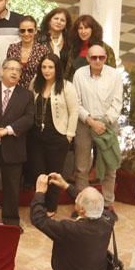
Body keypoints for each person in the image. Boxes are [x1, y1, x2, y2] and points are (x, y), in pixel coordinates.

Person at [0, 59, 35, 226]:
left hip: (14, 147)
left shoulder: (26, 95)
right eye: (10, 68)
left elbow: (29, 119)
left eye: (18, 70)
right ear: (2, 71)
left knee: (12, 187)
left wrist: (7, 130)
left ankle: (11, 221)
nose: (14, 72)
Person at [72, 44, 123, 208]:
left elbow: (117, 102)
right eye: (94, 57)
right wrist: (91, 121)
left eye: (101, 57)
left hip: (107, 125)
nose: (98, 60)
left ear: (106, 58)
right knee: (82, 168)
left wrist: (104, 122)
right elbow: (76, 102)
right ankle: (83, 206)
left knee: (110, 167)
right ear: (88, 58)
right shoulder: (79, 74)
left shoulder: (114, 75)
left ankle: (108, 205)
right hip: (85, 123)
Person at [29, 54, 79, 216]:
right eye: (44, 67)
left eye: (50, 67)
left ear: (57, 68)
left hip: (58, 137)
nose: (47, 70)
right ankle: (39, 206)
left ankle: (51, 207)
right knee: (39, 173)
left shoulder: (66, 86)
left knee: (54, 174)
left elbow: (74, 112)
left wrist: (69, 135)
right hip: (36, 137)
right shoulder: (35, 84)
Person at [66, 14, 118, 78]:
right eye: (80, 28)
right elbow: (68, 72)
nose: (83, 31)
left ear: (93, 29)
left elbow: (112, 73)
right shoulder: (74, 47)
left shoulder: (105, 48)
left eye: (86, 28)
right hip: (75, 85)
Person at [7, 16, 49, 89]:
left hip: (36, 91)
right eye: (22, 30)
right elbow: (8, 71)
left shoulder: (43, 50)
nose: (26, 34)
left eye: (30, 30)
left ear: (36, 31)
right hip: (15, 91)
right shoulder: (12, 48)